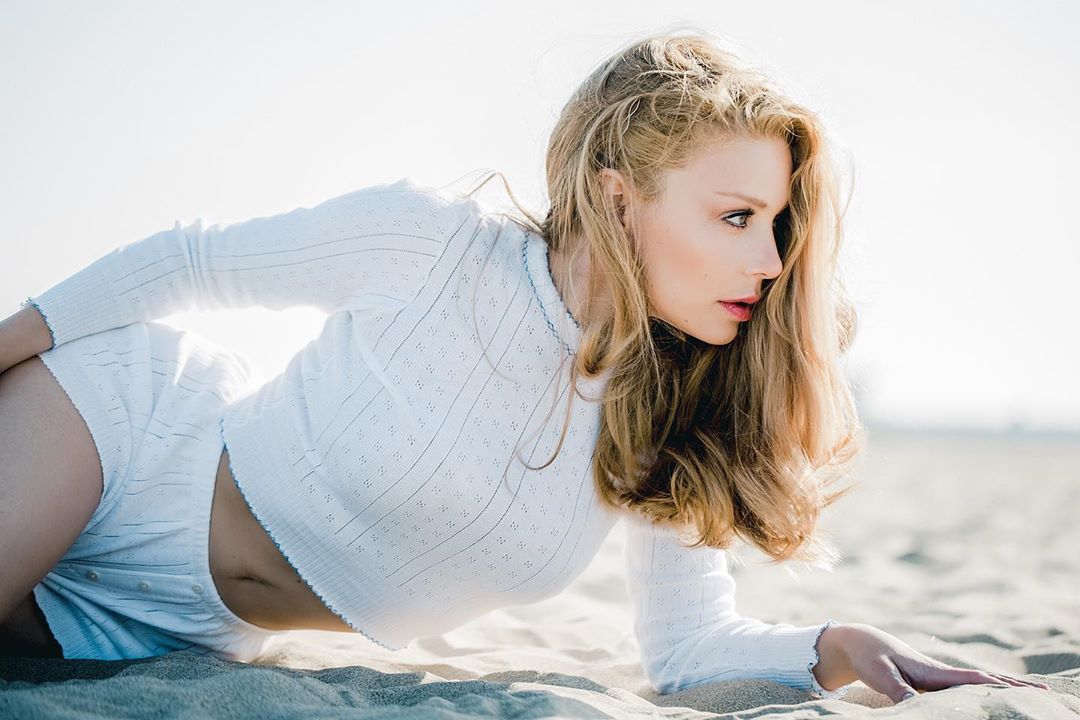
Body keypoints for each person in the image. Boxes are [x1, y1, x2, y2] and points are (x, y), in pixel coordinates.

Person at [0, 29, 1049, 705]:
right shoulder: (434, 242)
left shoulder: (665, 412)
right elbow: (186, 262)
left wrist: (837, 644)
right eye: (736, 217)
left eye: (778, 225)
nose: (770, 263)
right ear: (619, 197)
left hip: (181, 633)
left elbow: (687, 651)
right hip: (115, 446)